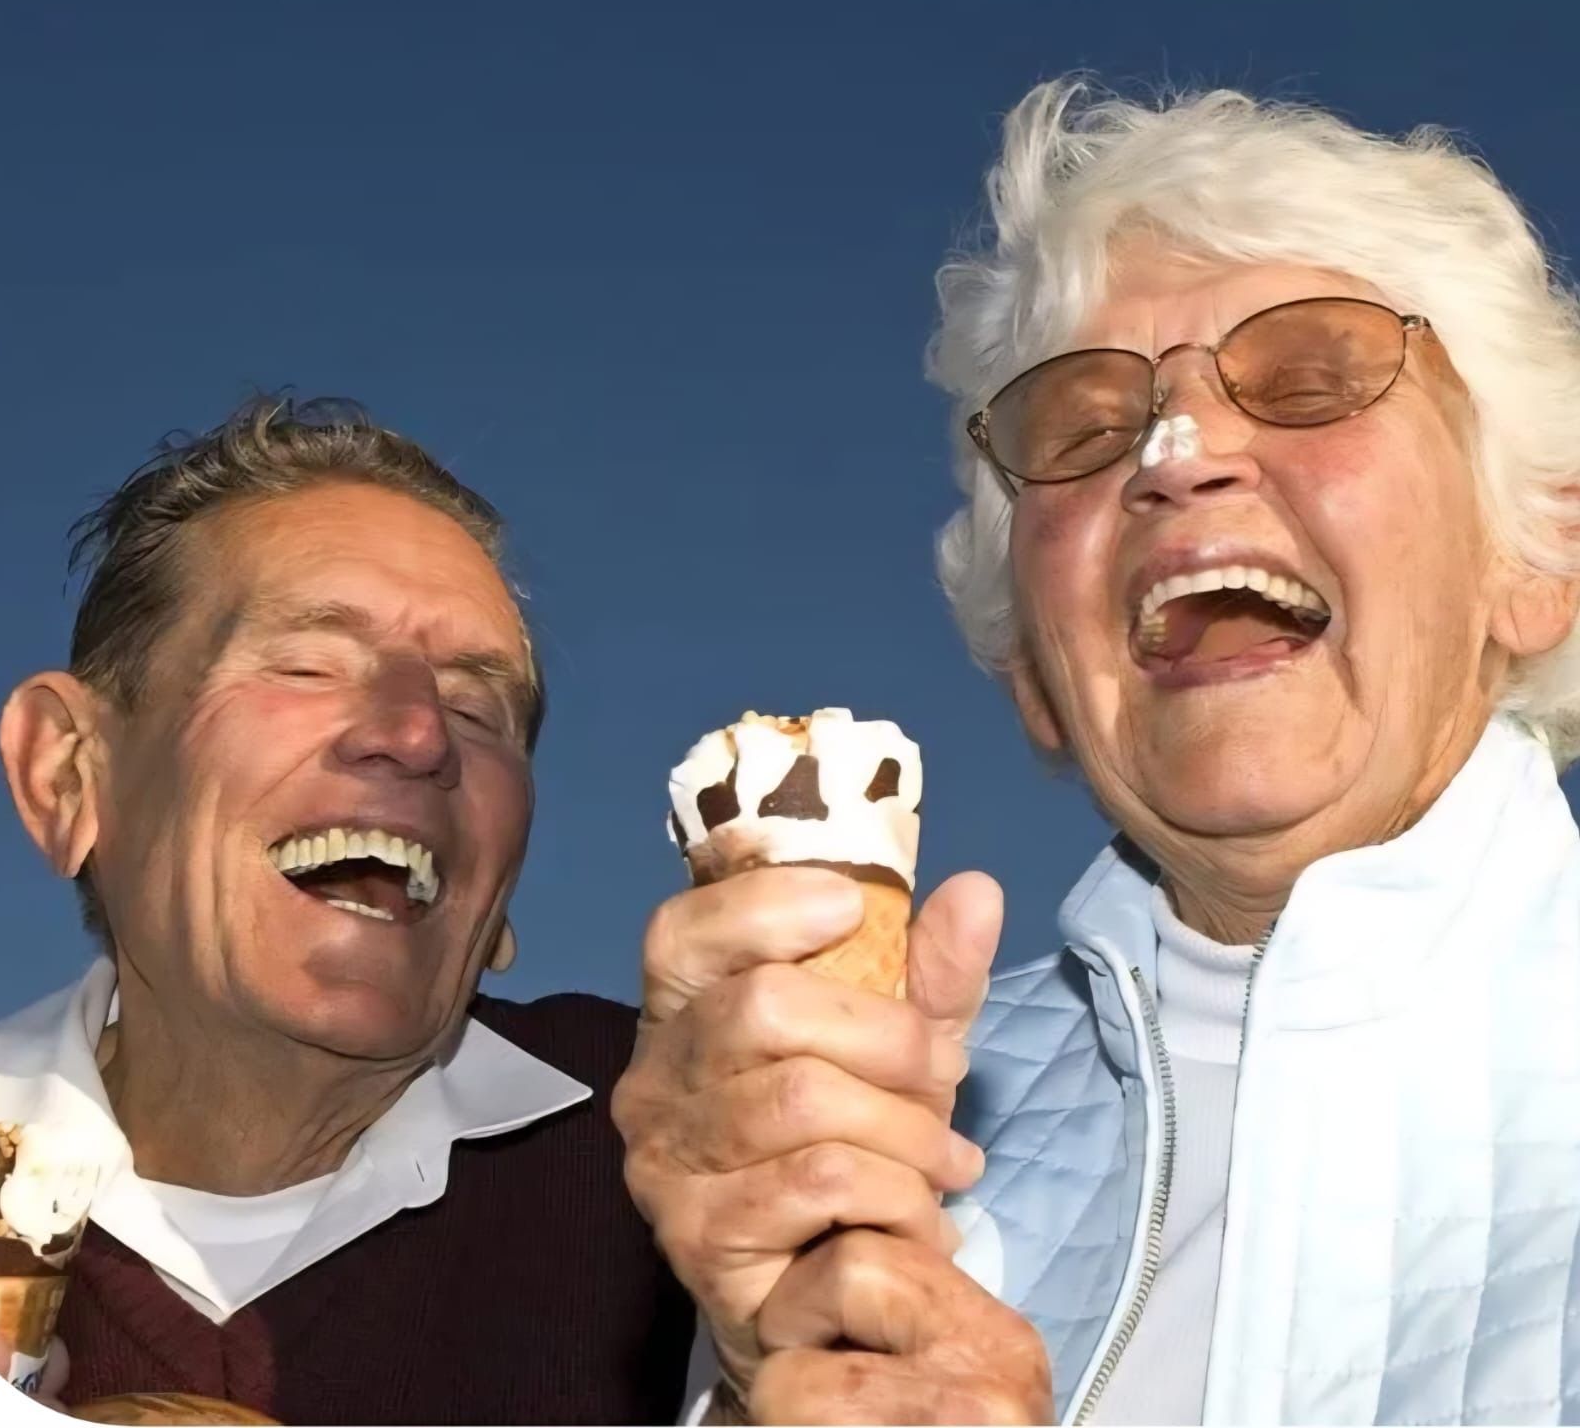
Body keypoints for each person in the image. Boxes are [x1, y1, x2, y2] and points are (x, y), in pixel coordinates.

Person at [613, 80, 1580, 1424]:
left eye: (1310, 381)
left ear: (1540, 558)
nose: (1177, 461)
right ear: (1036, 680)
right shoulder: (860, 1137)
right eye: (1082, 434)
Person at [0, 399, 693, 1423]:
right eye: (306, 663)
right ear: (66, 774)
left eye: (475, 707)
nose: (414, 735)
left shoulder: (681, 1133)